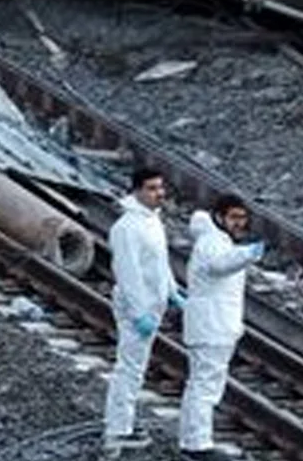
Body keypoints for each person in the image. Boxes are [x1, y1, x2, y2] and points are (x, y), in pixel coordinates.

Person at [179, 195, 265, 459]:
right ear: (219, 217)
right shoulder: (212, 241)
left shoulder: (217, 240)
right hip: (212, 326)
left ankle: (192, 441)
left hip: (214, 325)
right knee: (205, 387)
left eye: (242, 218)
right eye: (234, 217)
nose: (240, 223)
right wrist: (248, 254)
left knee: (203, 385)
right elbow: (220, 266)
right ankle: (198, 446)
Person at [103, 167, 179, 452]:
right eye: (151, 188)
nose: (159, 193)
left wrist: (172, 291)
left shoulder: (152, 220)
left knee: (136, 367)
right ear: (136, 191)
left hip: (153, 303)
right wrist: (138, 313)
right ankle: (117, 430)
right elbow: (128, 273)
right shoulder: (126, 228)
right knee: (129, 368)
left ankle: (124, 424)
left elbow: (159, 262)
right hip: (138, 307)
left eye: (160, 187)